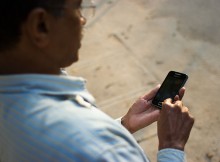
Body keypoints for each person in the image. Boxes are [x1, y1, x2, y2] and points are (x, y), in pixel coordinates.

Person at [0, 0, 194, 161]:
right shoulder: (100, 148)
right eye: (77, 8)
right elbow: (89, 145)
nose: (83, 20)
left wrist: (124, 125)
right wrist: (172, 145)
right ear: (40, 26)